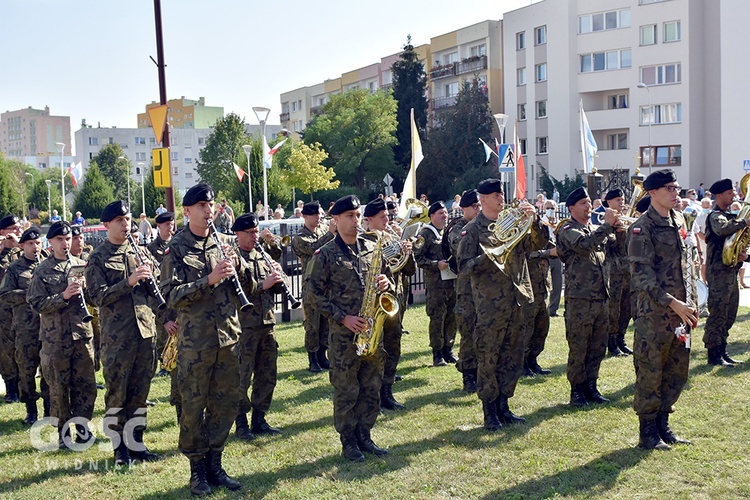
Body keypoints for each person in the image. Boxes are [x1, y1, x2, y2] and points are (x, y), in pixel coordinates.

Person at [159, 183, 250, 495]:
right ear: (188, 211)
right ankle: (197, 469)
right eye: (201, 206)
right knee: (194, 405)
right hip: (196, 343)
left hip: (228, 339)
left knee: (225, 404)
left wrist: (241, 265)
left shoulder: (224, 242)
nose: (208, 211)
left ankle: (216, 463)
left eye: (210, 205)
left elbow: (248, 282)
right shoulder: (177, 248)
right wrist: (207, 280)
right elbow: (170, 295)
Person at [306, 194, 394, 461]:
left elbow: (387, 275)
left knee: (371, 386)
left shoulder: (371, 245)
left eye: (358, 216)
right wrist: (342, 317)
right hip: (344, 335)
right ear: (336, 219)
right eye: (349, 216)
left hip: (371, 330)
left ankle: (365, 435)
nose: (356, 221)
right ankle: (349, 442)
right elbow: (312, 294)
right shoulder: (325, 254)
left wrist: (384, 283)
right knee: (347, 389)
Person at [456, 179, 546, 431]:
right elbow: (462, 266)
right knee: (489, 357)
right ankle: (489, 411)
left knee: (513, 354)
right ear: (483, 199)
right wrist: (487, 258)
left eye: (501, 194)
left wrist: (535, 221)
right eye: (496, 195)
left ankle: (504, 405)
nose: (501, 198)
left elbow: (538, 244)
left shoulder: (515, 222)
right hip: (490, 306)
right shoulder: (472, 230)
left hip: (517, 300)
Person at [85, 201, 160, 465]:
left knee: (140, 391)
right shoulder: (98, 257)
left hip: (145, 332)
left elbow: (159, 279)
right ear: (106, 225)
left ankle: (136, 442)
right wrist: (127, 282)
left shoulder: (139, 251)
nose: (125, 223)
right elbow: (95, 297)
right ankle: (119, 448)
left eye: (127, 219)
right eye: (119, 220)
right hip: (118, 337)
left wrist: (150, 275)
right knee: (118, 393)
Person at [628, 168, 697, 450]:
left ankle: (663, 425)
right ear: (653, 192)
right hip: (655, 315)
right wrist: (673, 303)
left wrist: (691, 301)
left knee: (676, 370)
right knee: (650, 371)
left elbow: (686, 264)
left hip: (682, 313)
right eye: (669, 188)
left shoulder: (678, 219)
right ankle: (647, 432)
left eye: (677, 187)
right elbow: (642, 275)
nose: (675, 192)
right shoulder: (641, 227)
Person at [27, 221, 97, 448]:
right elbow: (35, 303)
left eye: (67, 239)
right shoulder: (42, 270)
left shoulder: (80, 265)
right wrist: (63, 296)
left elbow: (96, 299)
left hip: (81, 335)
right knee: (59, 388)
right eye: (60, 239)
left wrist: (86, 289)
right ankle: (63, 434)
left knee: (86, 385)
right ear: (51, 242)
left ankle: (83, 429)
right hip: (55, 339)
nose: (65, 243)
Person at [556, 187, 617, 407]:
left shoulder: (594, 228)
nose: (589, 206)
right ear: (571, 208)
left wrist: (617, 229)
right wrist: (607, 225)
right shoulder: (567, 228)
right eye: (583, 203)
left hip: (601, 296)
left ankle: (592, 386)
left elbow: (615, 249)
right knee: (579, 346)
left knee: (597, 346)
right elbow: (584, 245)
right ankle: (577, 391)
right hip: (580, 298)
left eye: (589, 202)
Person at [231, 213, 285, 441]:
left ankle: (260, 419)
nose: (255, 236)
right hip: (245, 327)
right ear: (238, 234)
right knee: (242, 377)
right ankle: (241, 422)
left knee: (267, 374)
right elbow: (238, 292)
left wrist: (278, 279)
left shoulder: (262, 256)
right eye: (250, 233)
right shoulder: (232, 258)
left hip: (266, 322)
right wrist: (265, 284)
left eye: (256, 232)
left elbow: (275, 290)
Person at [363, 198, 415, 410]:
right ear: (370, 220)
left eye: (387, 216)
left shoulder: (391, 237)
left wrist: (406, 251)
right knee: (377, 349)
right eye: (382, 217)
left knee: (394, 345)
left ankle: (387, 391)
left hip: (395, 300)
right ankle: (372, 394)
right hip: (375, 302)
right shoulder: (362, 241)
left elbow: (409, 270)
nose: (387, 220)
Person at [0, 226, 49, 425]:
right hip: (25, 328)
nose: (35, 247)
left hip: (48, 328)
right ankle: (31, 411)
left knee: (48, 371)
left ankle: (49, 410)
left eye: (38, 243)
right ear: (22, 246)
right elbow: (4, 296)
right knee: (27, 371)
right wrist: (28, 293)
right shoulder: (14, 269)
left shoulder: (47, 265)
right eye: (30, 243)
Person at [703, 178, 748, 366]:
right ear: (719, 195)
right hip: (718, 273)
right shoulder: (715, 216)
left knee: (729, 313)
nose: (734, 195)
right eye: (730, 193)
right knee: (718, 313)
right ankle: (713, 353)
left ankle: (723, 350)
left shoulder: (730, 216)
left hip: (730, 272)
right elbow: (722, 230)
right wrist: (745, 221)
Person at [292, 201, 336, 372]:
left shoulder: (324, 231)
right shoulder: (299, 237)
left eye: (320, 214)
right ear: (305, 216)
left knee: (325, 321)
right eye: (315, 215)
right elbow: (315, 249)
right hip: (311, 285)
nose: (319, 218)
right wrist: (330, 235)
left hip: (326, 284)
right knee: (312, 324)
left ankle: (322, 356)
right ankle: (312, 359)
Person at [414, 201, 457, 366]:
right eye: (440, 213)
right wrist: (435, 264)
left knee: (452, 316)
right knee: (438, 318)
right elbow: (418, 258)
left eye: (445, 212)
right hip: (436, 285)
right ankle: (437, 354)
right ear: (432, 216)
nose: (444, 215)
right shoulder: (425, 234)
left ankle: (448, 349)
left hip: (451, 282)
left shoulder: (449, 232)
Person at [447, 190, 481, 392]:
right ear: (463, 209)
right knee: (469, 333)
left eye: (479, 206)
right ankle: (468, 375)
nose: (478, 210)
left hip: (486, 290)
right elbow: (460, 247)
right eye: (474, 207)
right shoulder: (458, 229)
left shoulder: (485, 226)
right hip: (467, 291)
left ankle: (482, 373)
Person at [147, 212, 178, 384]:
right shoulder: (152, 248)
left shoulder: (178, 244)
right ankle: (164, 365)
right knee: (162, 335)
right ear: (159, 226)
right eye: (166, 224)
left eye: (172, 223)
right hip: (161, 299)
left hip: (177, 297)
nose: (170, 226)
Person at [602, 188, 633, 357]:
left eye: (622, 200)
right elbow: (609, 246)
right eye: (618, 200)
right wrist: (616, 231)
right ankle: (612, 342)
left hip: (627, 270)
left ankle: (621, 339)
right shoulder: (606, 223)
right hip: (613, 271)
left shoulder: (626, 220)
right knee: (614, 308)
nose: (621, 202)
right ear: (609, 202)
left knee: (626, 307)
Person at [0, 214, 23, 403]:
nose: (17, 231)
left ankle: (26, 387)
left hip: (23, 311)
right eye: (14, 228)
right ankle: (11, 388)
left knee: (23, 349)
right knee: (6, 350)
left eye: (19, 228)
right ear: (3, 232)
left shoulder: (23, 250)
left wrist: (19, 245)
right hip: (3, 311)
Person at [542, 200, 563, 317]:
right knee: (545, 284)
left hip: (558, 256)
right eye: (548, 208)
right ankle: (543, 309)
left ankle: (553, 310)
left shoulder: (560, 223)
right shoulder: (541, 222)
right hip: (546, 256)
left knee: (557, 284)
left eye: (552, 208)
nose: (550, 210)